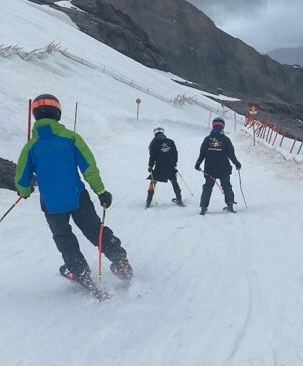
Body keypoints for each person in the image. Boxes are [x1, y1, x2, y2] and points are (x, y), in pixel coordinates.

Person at [14, 93, 133, 286]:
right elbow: (89, 167)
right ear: (57, 113)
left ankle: (80, 272)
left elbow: (21, 178)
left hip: (52, 204)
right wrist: (101, 191)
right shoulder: (71, 138)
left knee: (63, 237)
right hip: (78, 198)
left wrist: (24, 192)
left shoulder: (30, 147)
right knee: (95, 231)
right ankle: (121, 261)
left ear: (35, 115)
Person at [195, 116, 241, 215]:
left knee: (207, 187)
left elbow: (202, 153)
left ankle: (203, 207)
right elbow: (231, 154)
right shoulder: (226, 140)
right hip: (223, 169)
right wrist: (236, 163)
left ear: (213, 125)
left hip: (209, 169)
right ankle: (230, 205)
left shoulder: (207, 139)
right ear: (223, 126)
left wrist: (198, 163)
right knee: (227, 187)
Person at [147, 126, 183, 207]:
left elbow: (152, 156)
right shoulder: (170, 141)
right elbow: (175, 153)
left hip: (159, 167)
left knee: (153, 181)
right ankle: (179, 199)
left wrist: (150, 166)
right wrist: (174, 163)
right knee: (174, 181)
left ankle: (148, 201)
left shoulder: (154, 143)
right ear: (163, 132)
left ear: (155, 133)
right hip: (170, 166)